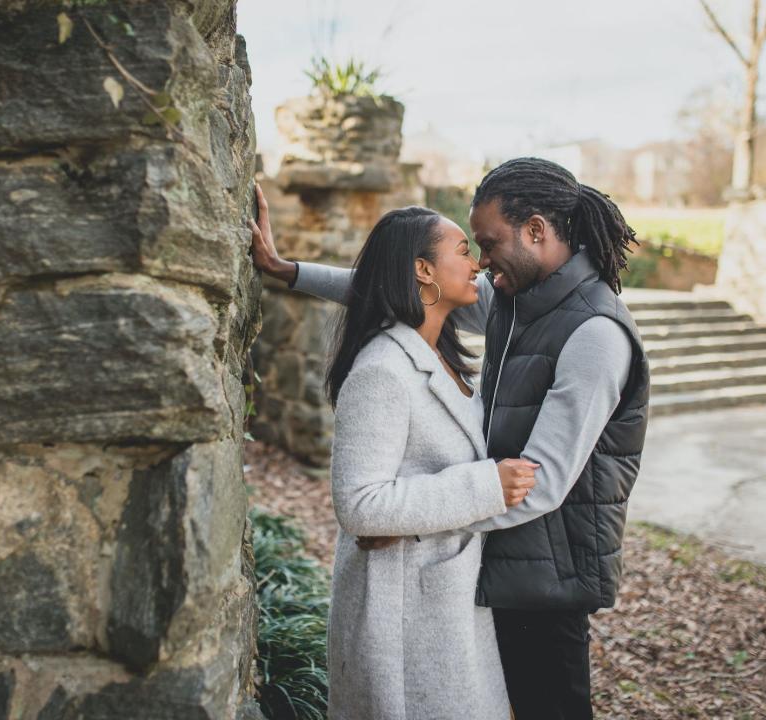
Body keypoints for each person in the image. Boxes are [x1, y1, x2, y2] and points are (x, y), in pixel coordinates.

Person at [253, 157, 651, 720]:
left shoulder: (595, 335)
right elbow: (397, 287)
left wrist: (408, 519)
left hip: (546, 577)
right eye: (472, 250)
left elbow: (542, 485)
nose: (483, 263)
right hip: (489, 557)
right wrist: (287, 270)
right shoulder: (514, 302)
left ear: (535, 231)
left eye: (487, 243)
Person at [251, 199, 537, 719]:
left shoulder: (442, 356)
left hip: (444, 601)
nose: (477, 263)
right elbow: (360, 504)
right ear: (423, 270)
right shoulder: (383, 371)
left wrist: (287, 269)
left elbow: (373, 284)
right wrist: (486, 485)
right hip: (401, 612)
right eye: (462, 249)